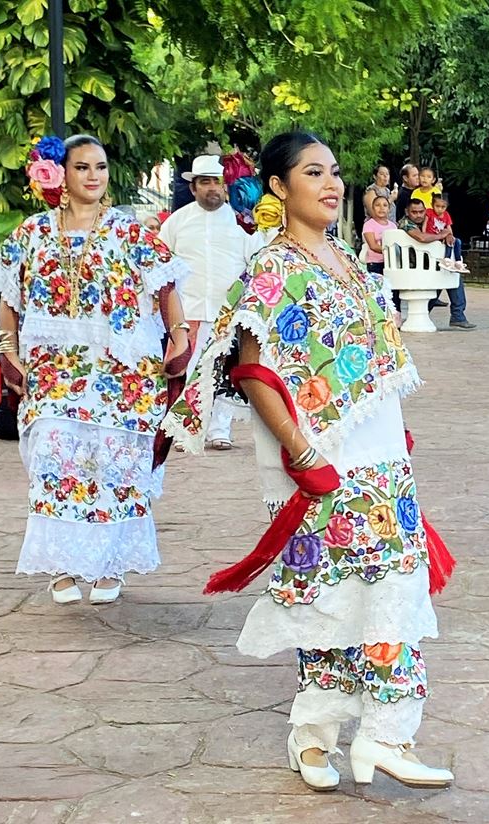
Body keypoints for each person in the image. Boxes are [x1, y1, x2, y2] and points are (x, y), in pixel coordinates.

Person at [163, 131, 454, 792]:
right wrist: (301, 451)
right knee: (326, 595)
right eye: (313, 172)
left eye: (335, 172)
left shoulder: (344, 257)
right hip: (316, 459)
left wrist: (393, 429)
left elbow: (370, 357)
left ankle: (385, 735)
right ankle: (315, 736)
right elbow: (254, 370)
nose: (332, 183)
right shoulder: (271, 267)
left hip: (378, 456)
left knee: (391, 585)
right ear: (278, 186)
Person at [0, 134, 190, 604]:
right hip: (53, 370)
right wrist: (9, 351)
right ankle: (61, 564)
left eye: (100, 166)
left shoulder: (128, 231)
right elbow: (9, 296)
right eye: (82, 167)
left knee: (115, 463)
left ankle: (109, 566)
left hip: (123, 373)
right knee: (53, 455)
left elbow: (165, 286)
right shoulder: (33, 232)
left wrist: (179, 337)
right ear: (61, 173)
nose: (93, 175)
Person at [159, 155, 265, 449]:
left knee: (223, 372)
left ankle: (220, 430)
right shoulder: (177, 222)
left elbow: (257, 262)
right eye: (205, 182)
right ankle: (188, 430)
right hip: (187, 311)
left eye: (217, 182)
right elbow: (160, 262)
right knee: (190, 373)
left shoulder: (242, 223)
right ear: (193, 187)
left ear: (226, 186)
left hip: (227, 312)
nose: (212, 188)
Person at [399, 199, 475, 329]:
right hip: (415, 265)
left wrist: (447, 235)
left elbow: (442, 231)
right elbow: (422, 238)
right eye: (414, 212)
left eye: (421, 212)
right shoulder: (405, 223)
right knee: (450, 274)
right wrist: (442, 235)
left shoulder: (430, 220)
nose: (418, 215)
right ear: (407, 212)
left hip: (429, 263)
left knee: (450, 272)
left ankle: (456, 315)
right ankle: (457, 315)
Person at [425, 193, 468, 273]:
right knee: (449, 241)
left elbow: (449, 228)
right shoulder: (429, 212)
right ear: (432, 205)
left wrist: (451, 236)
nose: (440, 209)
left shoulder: (446, 215)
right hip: (432, 237)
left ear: (447, 206)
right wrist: (424, 234)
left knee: (457, 241)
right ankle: (447, 259)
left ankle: (458, 261)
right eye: (437, 206)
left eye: (443, 207)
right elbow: (425, 224)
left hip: (443, 237)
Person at [362, 194, 394, 275]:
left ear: (389, 209)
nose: (381, 208)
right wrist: (389, 250)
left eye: (385, 205)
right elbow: (373, 246)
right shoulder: (369, 224)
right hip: (375, 263)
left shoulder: (393, 226)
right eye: (377, 205)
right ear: (373, 208)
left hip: (391, 262)